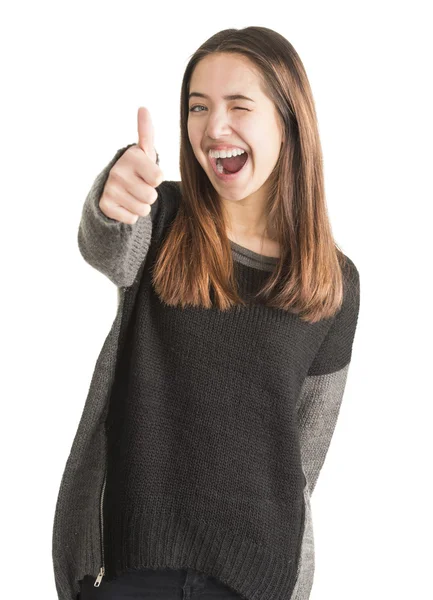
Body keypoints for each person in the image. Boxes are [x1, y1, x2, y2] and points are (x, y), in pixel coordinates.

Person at [52, 26, 361, 600]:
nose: (213, 127)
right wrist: (113, 194)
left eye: (238, 106)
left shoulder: (335, 283)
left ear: (288, 121)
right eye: (198, 107)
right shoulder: (161, 216)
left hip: (251, 583)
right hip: (128, 570)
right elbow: (107, 243)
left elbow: (303, 457)